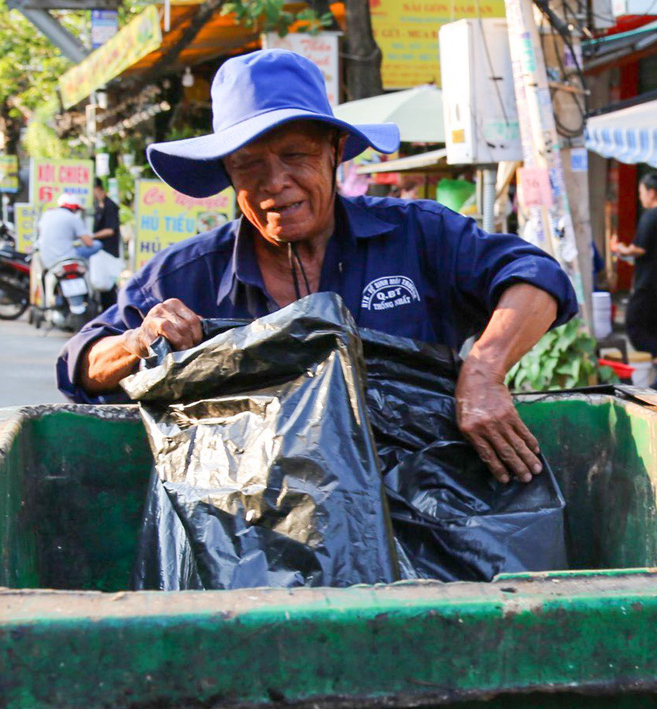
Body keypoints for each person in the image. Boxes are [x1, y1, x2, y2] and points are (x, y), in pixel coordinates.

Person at [55, 48, 577, 483]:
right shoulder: (185, 274)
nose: (275, 182)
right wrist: (137, 341)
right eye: (249, 165)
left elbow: (538, 279)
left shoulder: (419, 235)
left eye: (295, 156)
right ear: (227, 174)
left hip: (430, 515)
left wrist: (484, 371)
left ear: (336, 150)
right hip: (252, 540)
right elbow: (80, 365)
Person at [611, 172, 657, 359]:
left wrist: (618, 248)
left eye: (641, 193)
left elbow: (638, 249)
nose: (640, 197)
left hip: (647, 282)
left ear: (652, 192)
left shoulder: (651, 217)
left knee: (634, 324)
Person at [37, 196, 96, 267]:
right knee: (97, 244)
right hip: (68, 257)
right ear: (74, 208)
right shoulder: (73, 218)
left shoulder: (47, 214)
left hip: (46, 259)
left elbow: (40, 231)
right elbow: (89, 243)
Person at [90, 179, 122, 259]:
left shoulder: (110, 206)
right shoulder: (97, 205)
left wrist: (91, 236)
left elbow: (110, 231)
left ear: (97, 189)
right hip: (98, 251)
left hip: (108, 252)